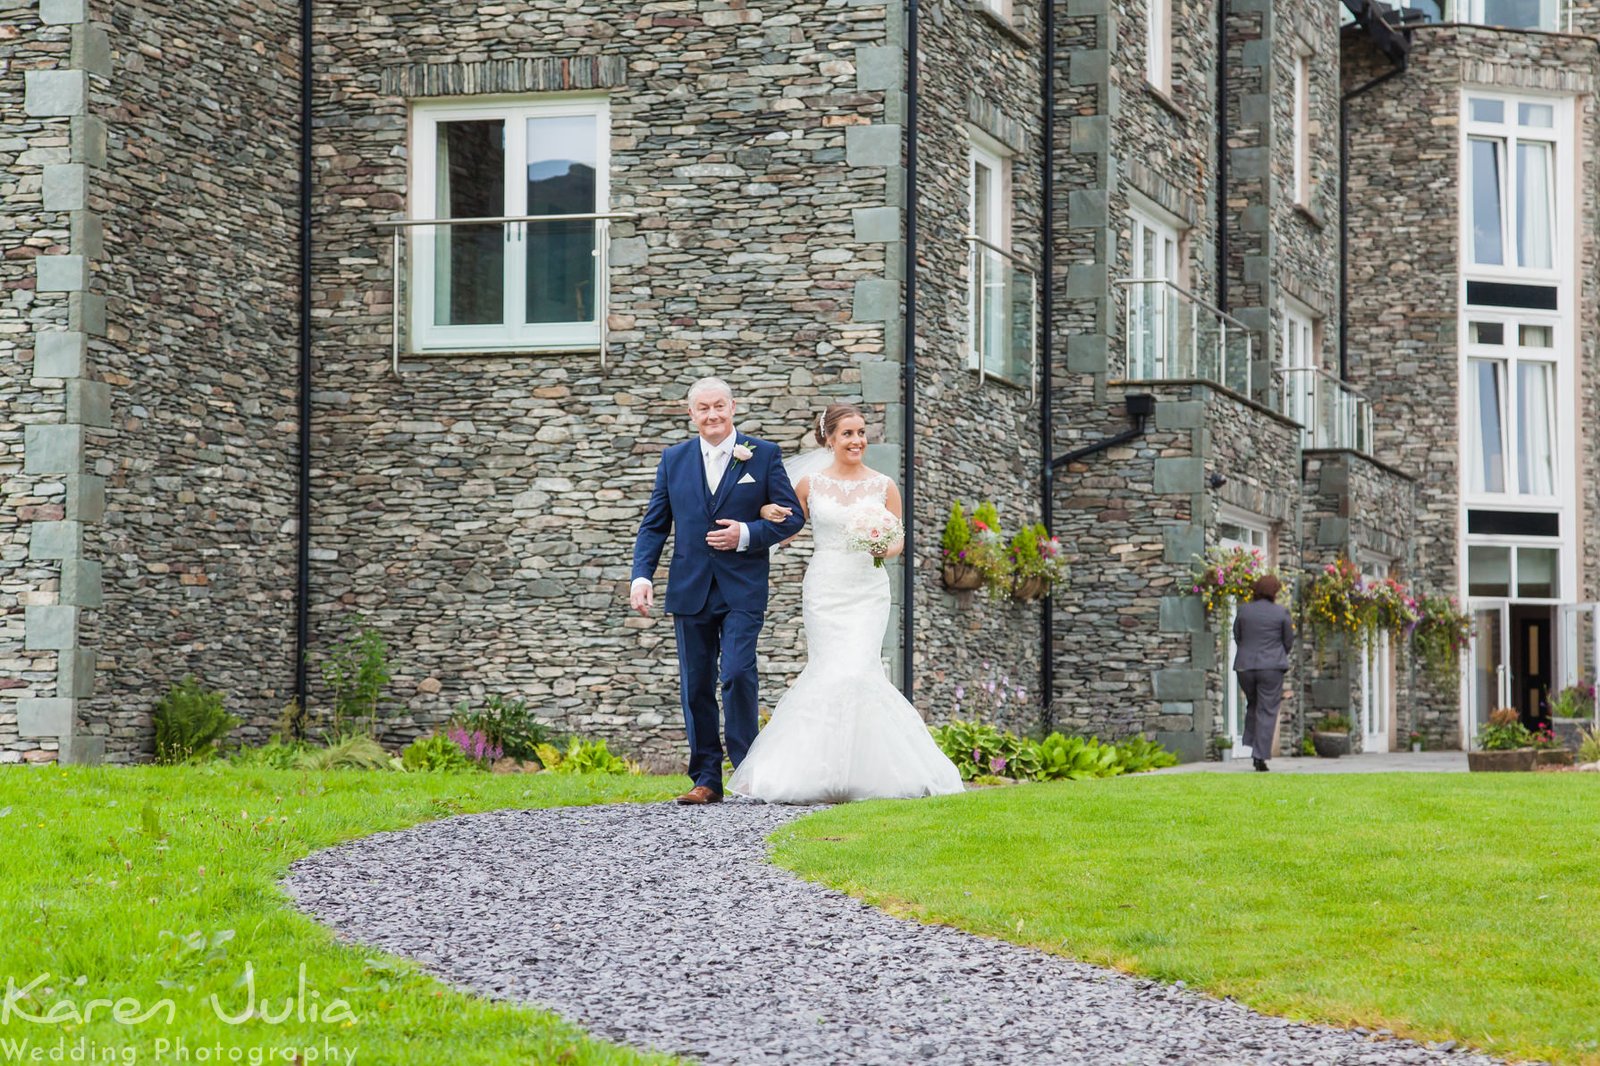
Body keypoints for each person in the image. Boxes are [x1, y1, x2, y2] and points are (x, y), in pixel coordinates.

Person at [727, 403, 965, 803]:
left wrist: (881, 544)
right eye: (848, 434)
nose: (857, 441)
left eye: (861, 433)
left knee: (858, 672)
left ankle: (873, 774)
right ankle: (807, 773)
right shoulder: (811, 484)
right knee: (830, 672)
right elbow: (786, 527)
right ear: (830, 439)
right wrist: (765, 510)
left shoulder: (884, 485)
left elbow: (898, 540)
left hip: (868, 590)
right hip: (825, 588)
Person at [630, 378, 805, 805]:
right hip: (690, 588)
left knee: (739, 674)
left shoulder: (762, 455)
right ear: (691, 413)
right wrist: (642, 576)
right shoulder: (674, 459)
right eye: (703, 408)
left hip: (742, 588)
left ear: (733, 407)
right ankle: (706, 778)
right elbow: (655, 523)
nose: (712, 415)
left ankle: (747, 773)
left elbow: (791, 518)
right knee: (696, 685)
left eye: (719, 406)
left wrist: (746, 533)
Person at [1232, 573, 1295, 772]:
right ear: (1274, 592)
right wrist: (1276, 656)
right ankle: (1259, 755)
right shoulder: (1281, 612)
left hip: (1245, 667)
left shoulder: (1243, 611)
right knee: (1267, 709)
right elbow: (1288, 641)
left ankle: (1251, 741)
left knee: (1254, 702)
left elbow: (1238, 636)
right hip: (1271, 667)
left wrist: (1248, 653)